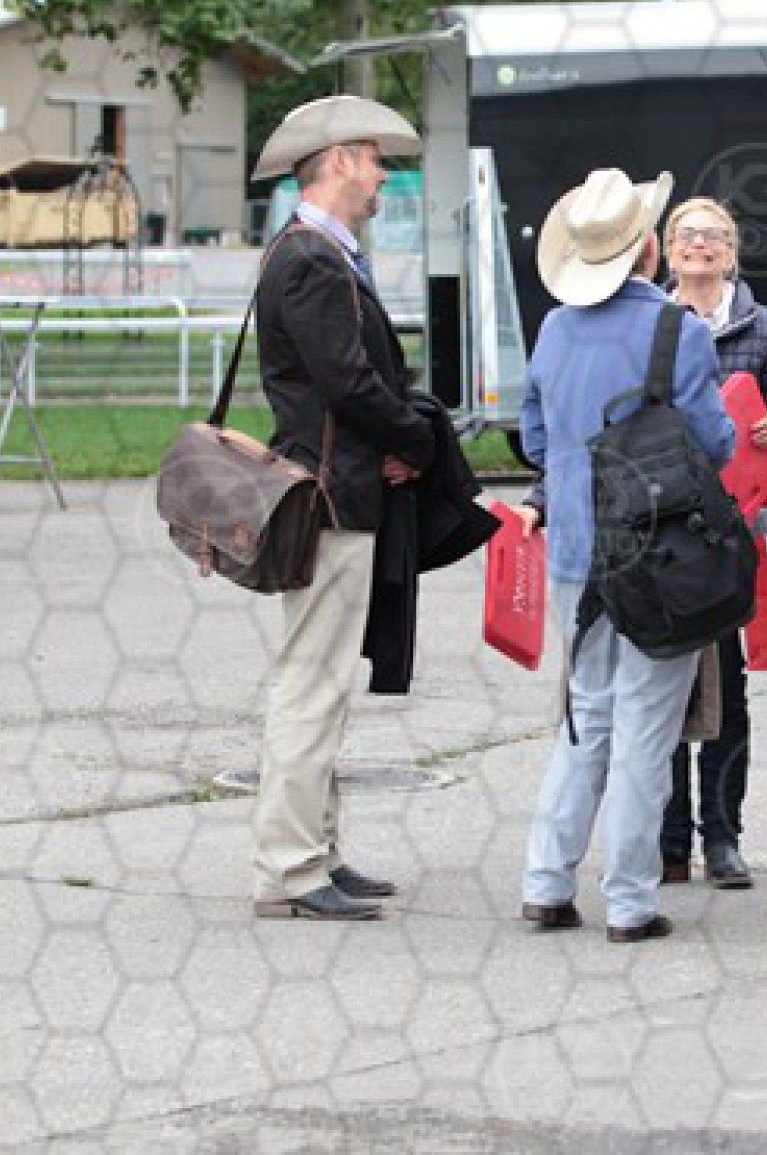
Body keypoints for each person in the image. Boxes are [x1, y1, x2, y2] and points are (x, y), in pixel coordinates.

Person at [512, 168, 737, 944]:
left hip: (578, 551)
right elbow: (714, 444)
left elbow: (534, 437)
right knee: (647, 725)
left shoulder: (554, 329)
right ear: (647, 248)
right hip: (657, 554)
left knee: (586, 716)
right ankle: (631, 900)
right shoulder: (680, 332)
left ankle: (546, 881)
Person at [248, 95, 439, 921]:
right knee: (311, 683)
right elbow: (349, 383)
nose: (383, 177)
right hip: (330, 496)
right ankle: (291, 869)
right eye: (372, 160)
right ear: (335, 163)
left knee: (322, 682)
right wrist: (415, 438)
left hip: (334, 488)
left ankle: (315, 850)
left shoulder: (317, 252)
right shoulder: (312, 259)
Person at [655, 195, 767, 891]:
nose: (701, 244)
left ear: (733, 252)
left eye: (714, 235)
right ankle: (667, 842)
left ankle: (722, 838)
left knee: (727, 688)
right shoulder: (650, 320)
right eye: (687, 234)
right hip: (662, 523)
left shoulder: (765, 325)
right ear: (667, 249)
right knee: (662, 686)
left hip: (733, 527)